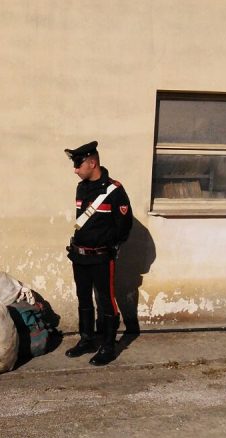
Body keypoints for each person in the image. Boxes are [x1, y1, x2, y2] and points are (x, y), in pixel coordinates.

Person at [64, 140, 133, 366]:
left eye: (78, 164)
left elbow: (124, 226)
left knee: (106, 301)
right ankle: (86, 339)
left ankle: (108, 345)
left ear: (92, 163)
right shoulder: (81, 187)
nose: (75, 169)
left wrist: (110, 246)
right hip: (79, 256)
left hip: (102, 258)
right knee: (84, 298)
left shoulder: (114, 191)